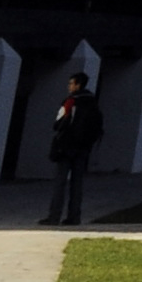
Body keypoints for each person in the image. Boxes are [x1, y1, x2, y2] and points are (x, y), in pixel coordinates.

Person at [43, 76, 105, 226]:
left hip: (66, 146)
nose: (69, 86)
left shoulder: (71, 101)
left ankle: (54, 216)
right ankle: (74, 217)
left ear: (78, 85)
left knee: (60, 182)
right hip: (83, 148)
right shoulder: (92, 102)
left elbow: (58, 123)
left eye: (71, 83)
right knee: (77, 184)